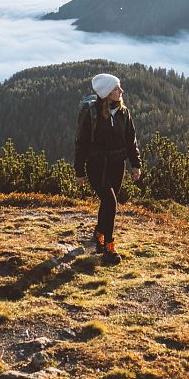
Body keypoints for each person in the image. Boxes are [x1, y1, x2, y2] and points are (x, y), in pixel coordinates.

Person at [75, 72, 142, 264]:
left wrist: (135, 164)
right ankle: (108, 247)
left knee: (107, 203)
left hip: (116, 165)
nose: (121, 91)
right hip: (96, 165)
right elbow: (81, 143)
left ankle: (99, 233)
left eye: (119, 87)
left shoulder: (124, 112)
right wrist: (79, 171)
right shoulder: (91, 113)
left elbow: (131, 140)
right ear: (105, 93)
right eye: (116, 88)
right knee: (111, 203)